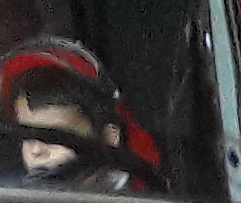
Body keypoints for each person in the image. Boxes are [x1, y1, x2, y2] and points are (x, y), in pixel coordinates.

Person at [9, 64, 144, 193]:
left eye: (56, 137)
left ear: (109, 139)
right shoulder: (4, 192)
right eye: (26, 135)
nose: (36, 150)